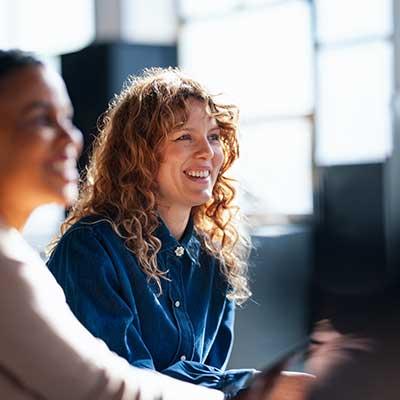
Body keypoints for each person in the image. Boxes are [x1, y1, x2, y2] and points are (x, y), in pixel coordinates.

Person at [0, 48, 313, 400]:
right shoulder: (90, 247)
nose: (208, 153)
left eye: (213, 136)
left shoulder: (214, 259)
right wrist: (256, 389)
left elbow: (205, 374)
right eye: (184, 137)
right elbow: (117, 382)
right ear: (140, 154)